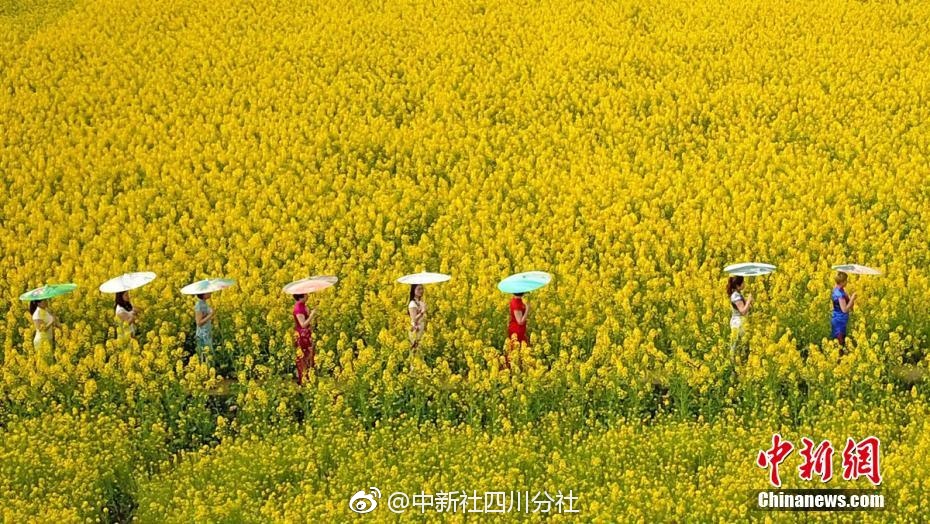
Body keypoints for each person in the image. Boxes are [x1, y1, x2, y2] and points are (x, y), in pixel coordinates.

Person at [727, 276, 752, 362]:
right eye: (743, 283)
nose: (744, 284)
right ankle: (733, 363)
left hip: (741, 322)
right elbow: (743, 311)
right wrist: (748, 301)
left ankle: (741, 361)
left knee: (742, 344)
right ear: (738, 285)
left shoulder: (738, 294)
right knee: (736, 345)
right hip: (738, 323)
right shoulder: (735, 296)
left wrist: (748, 302)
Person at [293, 293, 316, 384]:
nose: (308, 295)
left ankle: (309, 378)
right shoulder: (298, 308)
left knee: (310, 356)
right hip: (302, 336)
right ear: (301, 296)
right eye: (306, 294)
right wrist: (312, 315)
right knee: (304, 357)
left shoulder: (303, 306)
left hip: (307, 334)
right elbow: (303, 324)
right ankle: (303, 380)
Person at [831, 272, 856, 347]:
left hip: (841, 320)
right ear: (842, 282)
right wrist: (852, 298)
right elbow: (844, 309)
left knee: (841, 342)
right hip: (839, 321)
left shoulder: (838, 290)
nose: (847, 282)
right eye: (846, 280)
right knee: (840, 344)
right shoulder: (839, 294)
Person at [506, 293, 529, 368]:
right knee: (517, 351)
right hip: (517, 330)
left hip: (518, 329)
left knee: (518, 351)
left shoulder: (517, 300)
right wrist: (527, 309)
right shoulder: (516, 303)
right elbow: (520, 321)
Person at [194, 293, 215, 363]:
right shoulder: (199, 305)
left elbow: (205, 317)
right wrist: (210, 315)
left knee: (209, 355)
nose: (210, 293)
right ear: (203, 295)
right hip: (203, 334)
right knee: (205, 356)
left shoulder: (204, 303)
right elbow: (199, 322)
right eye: (208, 293)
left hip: (207, 332)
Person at [408, 284, 426, 352]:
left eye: (422, 289)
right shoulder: (412, 303)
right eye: (418, 289)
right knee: (415, 351)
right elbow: (414, 319)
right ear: (413, 291)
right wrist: (422, 312)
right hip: (416, 330)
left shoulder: (421, 302)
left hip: (422, 328)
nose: (421, 291)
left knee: (421, 351)